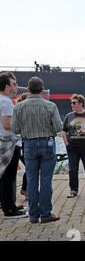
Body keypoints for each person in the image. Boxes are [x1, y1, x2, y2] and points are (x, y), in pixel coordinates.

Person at [12, 76, 63, 223]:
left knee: (32, 179)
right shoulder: (51, 106)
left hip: (29, 144)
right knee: (46, 180)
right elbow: (59, 127)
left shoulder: (19, 107)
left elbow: (15, 128)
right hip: (47, 143)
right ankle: (46, 214)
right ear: (42, 90)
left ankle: (33, 215)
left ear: (28, 89)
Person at [0, 71, 27, 219]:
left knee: (5, 176)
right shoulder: (5, 101)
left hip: (3, 143)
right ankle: (10, 210)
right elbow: (7, 124)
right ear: (6, 86)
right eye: (14, 84)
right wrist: (24, 126)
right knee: (9, 177)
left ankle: (9, 206)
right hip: (9, 144)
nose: (16, 86)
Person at [62, 94, 85, 198]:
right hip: (72, 148)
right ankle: (73, 190)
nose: (72, 105)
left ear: (81, 103)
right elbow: (64, 131)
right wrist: (66, 143)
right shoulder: (69, 116)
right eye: (71, 103)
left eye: (74, 103)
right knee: (72, 169)